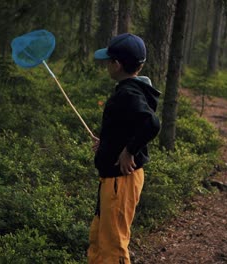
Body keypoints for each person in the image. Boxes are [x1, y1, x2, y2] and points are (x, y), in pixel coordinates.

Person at [88, 33, 161, 264]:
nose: (107, 64)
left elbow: (152, 123)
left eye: (109, 60)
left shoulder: (128, 93)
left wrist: (129, 151)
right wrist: (109, 144)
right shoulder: (133, 89)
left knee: (113, 247)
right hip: (113, 180)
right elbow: (129, 126)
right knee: (100, 238)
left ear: (117, 65)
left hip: (121, 181)